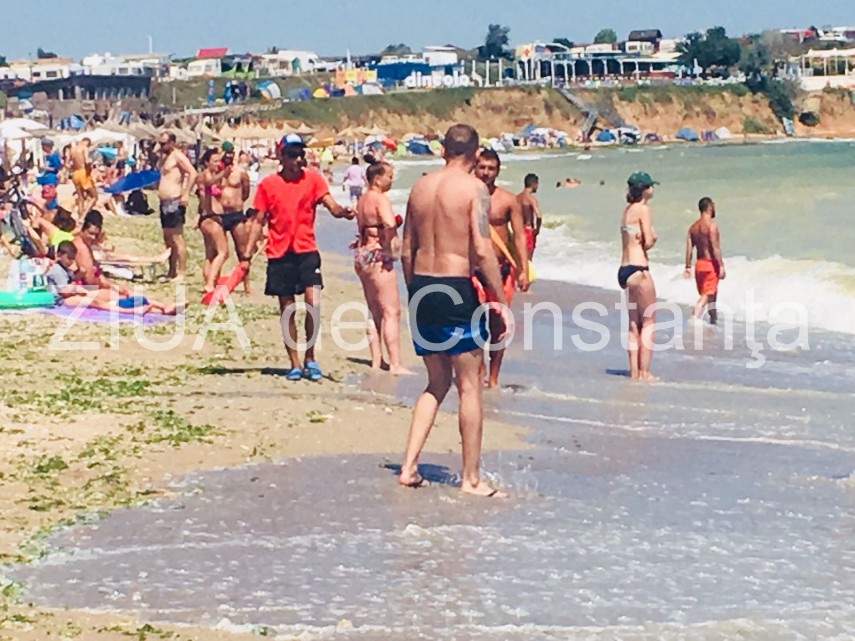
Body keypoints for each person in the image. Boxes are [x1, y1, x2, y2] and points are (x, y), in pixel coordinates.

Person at [399, 124, 512, 498]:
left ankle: (409, 467)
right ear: (476, 154)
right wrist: (497, 300)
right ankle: (471, 479)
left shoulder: (419, 187)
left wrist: (414, 291)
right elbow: (481, 250)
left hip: (422, 287)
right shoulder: (475, 189)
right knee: (469, 386)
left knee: (435, 382)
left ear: (442, 149)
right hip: (455, 287)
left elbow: (406, 249)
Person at [242, 134, 354, 382]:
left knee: (313, 304)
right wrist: (247, 254)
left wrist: (343, 212)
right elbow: (258, 220)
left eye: (301, 154)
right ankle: (294, 362)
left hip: (307, 250)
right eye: (292, 154)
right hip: (280, 253)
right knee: (287, 309)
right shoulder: (268, 185)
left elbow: (331, 205)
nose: (298, 159)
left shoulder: (313, 179)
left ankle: (310, 358)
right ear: (281, 156)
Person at [474, 149, 529, 390]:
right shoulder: (467, 196)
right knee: (475, 325)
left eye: (491, 168)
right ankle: (478, 373)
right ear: (475, 167)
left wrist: (523, 269)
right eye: (482, 167)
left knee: (499, 326)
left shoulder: (508, 200)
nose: (486, 172)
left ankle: (493, 379)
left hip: (501, 270)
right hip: (472, 270)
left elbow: (519, 237)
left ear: (498, 170)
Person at [353, 161, 413, 375]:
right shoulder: (380, 199)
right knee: (391, 311)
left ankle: (377, 360)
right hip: (377, 254)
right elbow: (388, 224)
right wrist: (391, 247)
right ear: (377, 178)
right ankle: (395, 363)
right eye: (389, 175)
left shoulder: (363, 199)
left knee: (373, 310)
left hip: (362, 255)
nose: (392, 179)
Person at [72, 211, 178, 315]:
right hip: (83, 290)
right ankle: (161, 310)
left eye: (96, 235)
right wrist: (109, 286)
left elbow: (98, 275)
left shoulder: (86, 244)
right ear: (83, 229)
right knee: (122, 296)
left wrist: (111, 284)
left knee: (127, 291)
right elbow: (91, 282)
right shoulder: (82, 249)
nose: (93, 238)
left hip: (91, 287)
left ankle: (162, 306)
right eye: (91, 234)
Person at [618, 172, 659, 382]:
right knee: (649, 321)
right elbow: (648, 241)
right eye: (651, 186)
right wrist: (654, 237)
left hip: (624, 269)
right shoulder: (643, 209)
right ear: (644, 189)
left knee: (633, 324)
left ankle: (633, 371)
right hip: (639, 267)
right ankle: (644, 371)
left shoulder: (627, 211)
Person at [157, 132, 197, 280]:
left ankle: (181, 271)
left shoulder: (178, 156)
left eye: (163, 144)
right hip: (164, 201)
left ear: (172, 143)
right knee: (167, 237)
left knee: (177, 237)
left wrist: (186, 193)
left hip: (174, 199)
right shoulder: (165, 157)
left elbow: (192, 173)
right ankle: (171, 270)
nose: (160, 147)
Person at [685, 197, 725, 325]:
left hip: (699, 265)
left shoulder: (693, 228)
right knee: (707, 295)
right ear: (709, 207)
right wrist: (721, 266)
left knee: (711, 296)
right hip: (710, 264)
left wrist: (687, 267)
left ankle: (714, 321)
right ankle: (694, 317)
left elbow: (689, 250)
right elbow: (715, 248)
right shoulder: (711, 225)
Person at [219, 141, 253, 293]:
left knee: (242, 250)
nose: (228, 156)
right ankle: (214, 282)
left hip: (236, 214)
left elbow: (246, 192)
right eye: (225, 153)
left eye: (230, 153)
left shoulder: (240, 173)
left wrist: (236, 203)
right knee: (218, 251)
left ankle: (247, 285)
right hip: (219, 214)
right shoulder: (215, 172)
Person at [194, 149, 229, 293]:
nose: (217, 164)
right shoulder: (203, 176)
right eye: (214, 161)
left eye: (218, 161)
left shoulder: (215, 176)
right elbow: (208, 183)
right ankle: (210, 283)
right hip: (210, 218)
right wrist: (224, 172)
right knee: (223, 252)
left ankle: (210, 283)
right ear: (206, 162)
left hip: (213, 217)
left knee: (211, 254)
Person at [70, 137, 97, 216]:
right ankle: (85, 214)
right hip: (83, 172)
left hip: (75, 173)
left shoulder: (73, 149)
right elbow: (87, 161)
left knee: (81, 198)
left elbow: (69, 163)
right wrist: (91, 166)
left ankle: (80, 216)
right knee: (94, 197)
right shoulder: (84, 148)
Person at [518, 173, 542, 260]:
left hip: (518, 231)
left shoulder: (517, 198)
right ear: (533, 184)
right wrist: (537, 230)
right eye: (537, 184)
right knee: (528, 260)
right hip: (528, 231)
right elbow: (539, 216)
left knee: (519, 259)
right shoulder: (531, 199)